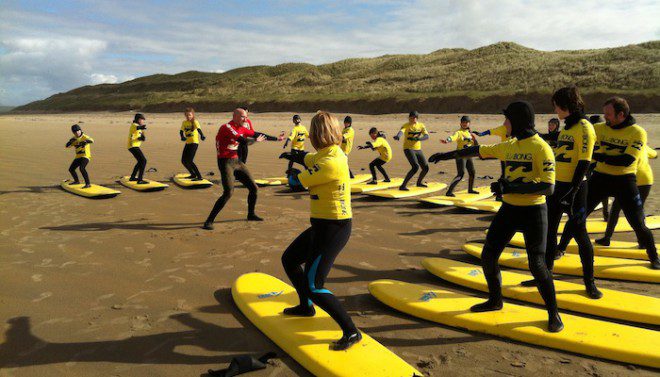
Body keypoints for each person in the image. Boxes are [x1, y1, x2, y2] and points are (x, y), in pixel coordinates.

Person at [429, 101, 563, 332]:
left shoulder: (541, 148)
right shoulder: (509, 145)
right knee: (489, 255)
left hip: (534, 211)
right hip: (509, 210)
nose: (504, 125)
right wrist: (447, 155)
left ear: (517, 122)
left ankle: (554, 314)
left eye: (507, 121)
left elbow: (548, 187)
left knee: (537, 265)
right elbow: (478, 150)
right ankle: (495, 300)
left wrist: (511, 188)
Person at [278, 111, 361, 350]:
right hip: (321, 224)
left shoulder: (332, 162)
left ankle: (352, 332)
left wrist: (293, 173)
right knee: (290, 259)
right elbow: (311, 159)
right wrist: (297, 154)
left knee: (314, 283)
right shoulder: (330, 153)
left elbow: (296, 182)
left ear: (316, 134)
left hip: (334, 227)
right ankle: (306, 307)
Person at [518, 86, 601, 299]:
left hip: (575, 189)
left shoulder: (585, 127)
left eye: (556, 106)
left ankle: (590, 283)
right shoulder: (568, 127)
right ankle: (545, 276)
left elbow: (584, 162)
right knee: (549, 232)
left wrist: (572, 192)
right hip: (557, 187)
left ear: (565, 105)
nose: (555, 110)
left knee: (580, 235)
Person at [560, 97, 659, 269]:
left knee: (638, 223)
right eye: (604, 113)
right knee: (578, 217)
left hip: (625, 180)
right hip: (600, 178)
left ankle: (654, 256)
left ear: (621, 115)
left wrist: (596, 155)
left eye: (608, 114)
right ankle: (560, 248)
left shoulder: (637, 132)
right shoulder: (598, 128)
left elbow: (626, 160)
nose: (605, 117)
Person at [203, 108, 284, 230]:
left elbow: (258, 134)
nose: (245, 119)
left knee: (254, 188)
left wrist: (276, 139)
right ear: (234, 116)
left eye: (246, 117)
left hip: (237, 161)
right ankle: (209, 221)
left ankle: (251, 214)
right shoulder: (226, 127)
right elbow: (243, 141)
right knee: (228, 193)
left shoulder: (242, 128)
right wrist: (255, 141)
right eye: (242, 117)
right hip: (225, 163)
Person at [595, 145, 656, 247]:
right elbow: (655, 155)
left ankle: (607, 238)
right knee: (638, 211)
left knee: (615, 209)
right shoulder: (642, 145)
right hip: (646, 179)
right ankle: (642, 242)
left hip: (630, 180)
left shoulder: (619, 147)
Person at [441, 115, 479, 196]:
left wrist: (475, 140)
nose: (465, 124)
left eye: (466, 122)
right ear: (460, 123)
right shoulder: (458, 132)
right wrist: (447, 140)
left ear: (469, 123)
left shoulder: (470, 134)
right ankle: (449, 192)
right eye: (463, 122)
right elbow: (453, 137)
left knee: (472, 172)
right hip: (460, 155)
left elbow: (476, 145)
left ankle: (470, 189)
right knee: (460, 174)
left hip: (468, 156)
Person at [394, 111, 429, 190]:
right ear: (409, 118)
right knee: (415, 167)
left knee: (426, 168)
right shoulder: (406, 125)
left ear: (417, 118)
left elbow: (426, 136)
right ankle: (403, 186)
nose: (413, 119)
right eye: (411, 117)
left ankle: (419, 183)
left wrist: (419, 139)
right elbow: (401, 132)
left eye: (414, 117)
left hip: (418, 149)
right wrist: (398, 136)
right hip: (408, 148)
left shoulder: (421, 126)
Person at [475, 123, 510, 200]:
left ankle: (503, 192)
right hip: (504, 156)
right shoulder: (503, 128)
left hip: (514, 156)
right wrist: (481, 134)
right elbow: (491, 131)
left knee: (511, 176)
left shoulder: (519, 128)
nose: (505, 122)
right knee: (504, 175)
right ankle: (499, 194)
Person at [179, 107, 206, 180]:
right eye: (187, 115)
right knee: (183, 161)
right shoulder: (184, 122)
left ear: (193, 115)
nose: (188, 116)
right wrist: (182, 137)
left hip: (194, 143)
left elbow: (199, 129)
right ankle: (193, 174)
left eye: (190, 115)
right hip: (188, 143)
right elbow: (181, 131)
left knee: (190, 160)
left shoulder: (195, 122)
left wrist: (202, 135)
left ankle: (199, 176)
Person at [127, 113, 148, 184]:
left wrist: (142, 137)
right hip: (132, 146)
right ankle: (140, 180)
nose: (143, 121)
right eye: (142, 120)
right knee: (144, 161)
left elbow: (141, 137)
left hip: (135, 146)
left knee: (140, 161)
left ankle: (133, 177)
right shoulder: (134, 125)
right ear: (138, 119)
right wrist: (141, 127)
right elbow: (137, 128)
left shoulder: (139, 127)